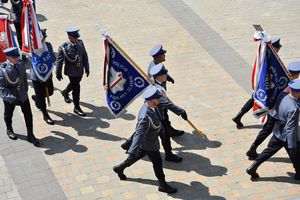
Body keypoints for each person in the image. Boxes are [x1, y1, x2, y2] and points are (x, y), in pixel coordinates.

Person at [113, 86, 177, 194]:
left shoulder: (152, 105)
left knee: (137, 156)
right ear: (152, 101)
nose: (159, 100)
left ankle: (120, 168)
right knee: (157, 163)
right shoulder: (145, 117)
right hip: (149, 144)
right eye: (158, 98)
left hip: (148, 140)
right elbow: (139, 134)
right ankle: (163, 185)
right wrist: (132, 150)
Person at [246, 79, 300, 180]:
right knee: (296, 154)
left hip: (277, 131)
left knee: (268, 151)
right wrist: (292, 145)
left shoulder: (283, 96)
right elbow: (291, 128)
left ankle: (252, 167)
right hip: (287, 136)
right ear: (297, 92)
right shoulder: (294, 109)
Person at [246, 61, 300, 160]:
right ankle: (252, 149)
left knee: (266, 131)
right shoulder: (291, 84)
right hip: (276, 112)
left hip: (275, 111)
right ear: (297, 74)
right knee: (267, 131)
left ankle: (253, 149)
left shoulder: (282, 78)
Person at [232, 37, 282, 129]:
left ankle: (239, 116)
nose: (279, 49)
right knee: (265, 100)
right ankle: (264, 119)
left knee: (255, 98)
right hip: (266, 83)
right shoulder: (269, 57)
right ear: (273, 48)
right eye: (278, 47)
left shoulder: (266, 54)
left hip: (263, 83)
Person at [0, 47, 39, 146]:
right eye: (14, 57)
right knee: (8, 114)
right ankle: (9, 129)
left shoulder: (20, 64)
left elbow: (24, 78)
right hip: (11, 96)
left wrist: (25, 90)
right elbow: (2, 87)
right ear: (8, 57)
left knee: (28, 115)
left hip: (22, 94)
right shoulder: (2, 69)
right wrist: (10, 98)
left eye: (17, 56)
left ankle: (30, 134)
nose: (16, 59)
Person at [150, 63, 187, 162]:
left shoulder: (158, 81)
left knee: (144, 131)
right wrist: (181, 111)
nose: (167, 75)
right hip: (156, 117)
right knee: (165, 136)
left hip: (159, 114)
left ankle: (128, 144)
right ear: (159, 76)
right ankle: (169, 155)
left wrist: (168, 77)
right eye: (165, 74)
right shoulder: (156, 90)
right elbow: (166, 103)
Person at [148, 44, 184, 137]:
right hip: (158, 97)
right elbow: (155, 83)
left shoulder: (158, 64)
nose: (164, 56)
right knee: (162, 117)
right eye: (163, 55)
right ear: (159, 57)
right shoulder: (153, 68)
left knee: (164, 116)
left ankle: (169, 130)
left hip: (161, 93)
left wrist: (168, 77)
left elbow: (162, 73)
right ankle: (169, 133)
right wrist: (180, 111)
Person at [55, 28, 89, 117]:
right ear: (69, 37)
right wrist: (58, 73)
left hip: (80, 69)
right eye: (74, 38)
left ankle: (65, 92)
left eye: (77, 37)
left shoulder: (80, 43)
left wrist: (87, 68)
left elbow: (85, 56)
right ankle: (76, 107)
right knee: (76, 87)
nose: (76, 39)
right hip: (71, 71)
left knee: (75, 84)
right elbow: (59, 60)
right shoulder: (63, 47)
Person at [29, 29, 55, 125]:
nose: (43, 40)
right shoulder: (31, 48)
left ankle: (38, 100)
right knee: (41, 97)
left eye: (44, 38)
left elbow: (53, 57)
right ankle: (45, 114)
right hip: (36, 76)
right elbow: (31, 62)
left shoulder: (47, 45)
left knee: (50, 92)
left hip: (48, 74)